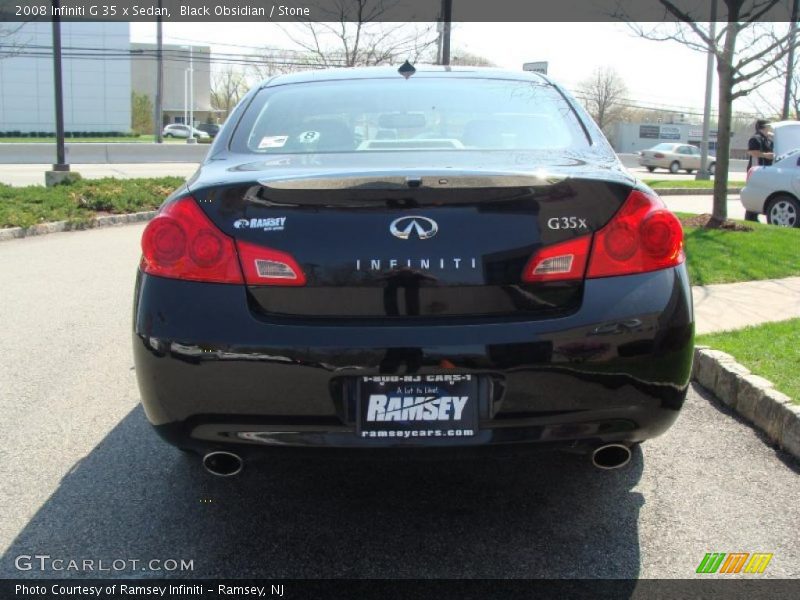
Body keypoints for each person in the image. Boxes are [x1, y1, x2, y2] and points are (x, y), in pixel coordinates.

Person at [745, 119, 775, 221]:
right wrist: (766, 155)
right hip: (756, 170)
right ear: (764, 127)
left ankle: (754, 216)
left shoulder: (768, 139)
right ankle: (750, 217)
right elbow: (752, 152)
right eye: (769, 126)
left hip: (766, 170)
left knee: (763, 193)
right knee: (754, 193)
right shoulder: (755, 138)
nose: (770, 128)